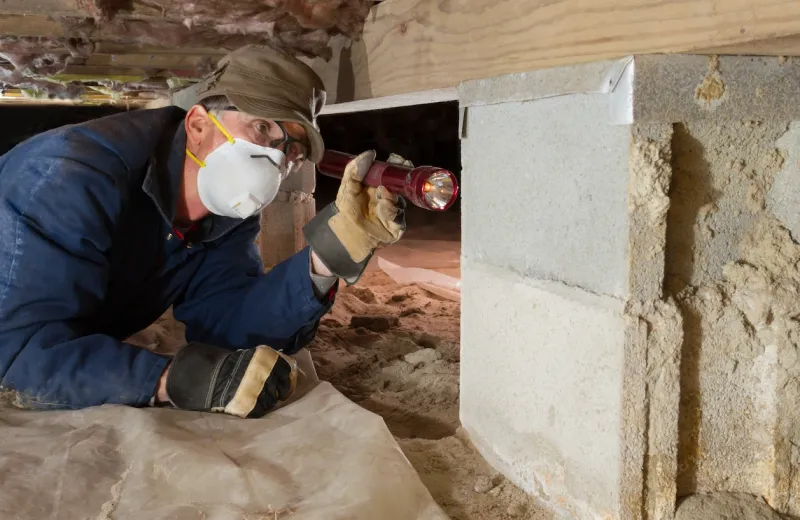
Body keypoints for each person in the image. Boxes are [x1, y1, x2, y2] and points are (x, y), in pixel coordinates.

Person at [0, 44, 406, 418]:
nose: (275, 158)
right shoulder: (68, 178)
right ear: (197, 124)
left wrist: (326, 257)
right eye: (262, 128)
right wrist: (168, 379)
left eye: (292, 149)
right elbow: (19, 355)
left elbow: (227, 324)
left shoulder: (225, 215)